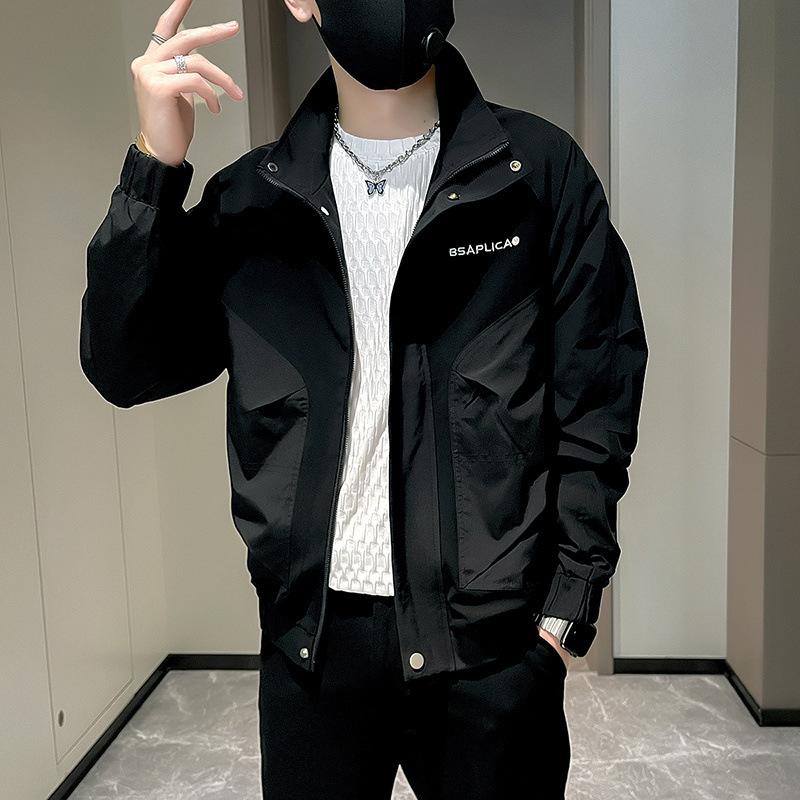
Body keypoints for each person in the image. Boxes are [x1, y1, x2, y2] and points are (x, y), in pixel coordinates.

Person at [80, 0, 649, 797]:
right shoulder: (254, 204)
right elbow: (124, 366)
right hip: (313, 648)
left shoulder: (538, 175)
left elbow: (599, 393)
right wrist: (154, 166)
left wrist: (564, 610)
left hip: (490, 652)